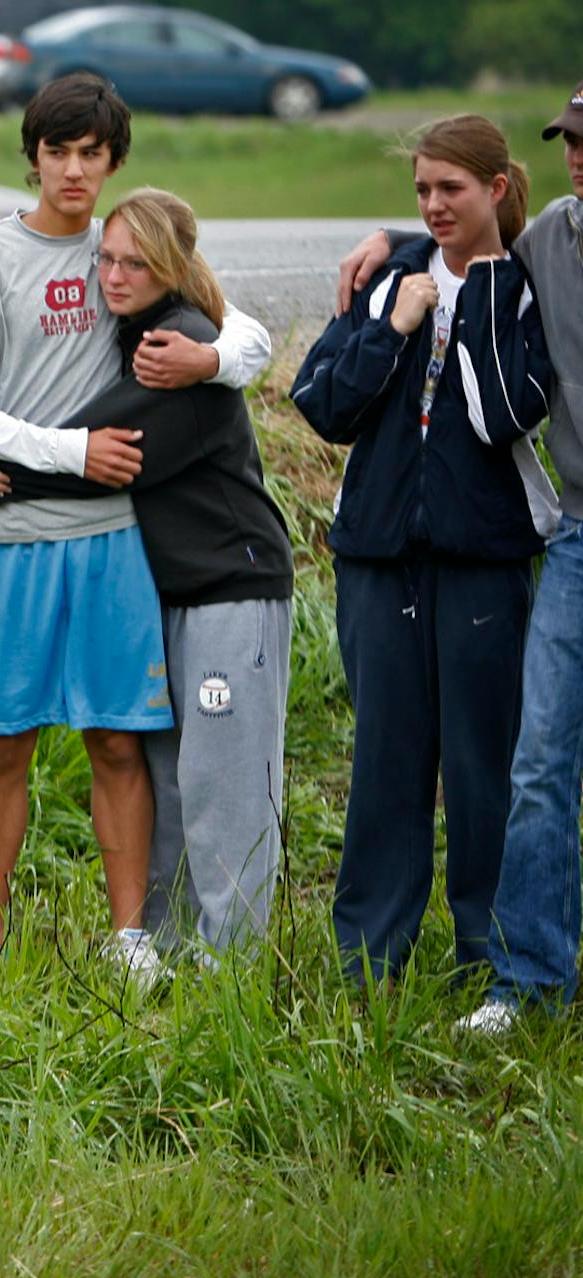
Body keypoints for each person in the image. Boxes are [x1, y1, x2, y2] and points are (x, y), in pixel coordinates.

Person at [0, 74, 271, 983]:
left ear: (114, 162)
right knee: (4, 745)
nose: (73, 169)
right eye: (57, 152)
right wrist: (55, 452)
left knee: (117, 741)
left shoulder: (128, 247)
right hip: (14, 540)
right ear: (32, 156)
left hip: (115, 541)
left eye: (91, 154)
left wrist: (216, 356)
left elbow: (244, 333)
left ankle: (131, 942)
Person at [0, 189, 295, 957]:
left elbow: (101, 456)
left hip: (230, 588)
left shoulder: (176, 343)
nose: (112, 275)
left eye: (134, 263)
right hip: (169, 590)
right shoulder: (139, 330)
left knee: (225, 784)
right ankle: (177, 950)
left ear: (170, 267)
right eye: (105, 259)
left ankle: (233, 966)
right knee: (171, 775)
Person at [334, 90, 583, 1033]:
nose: (434, 202)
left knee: (499, 765)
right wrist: (397, 250)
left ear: (493, 185)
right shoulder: (504, 250)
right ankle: (430, 965)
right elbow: (328, 399)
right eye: (420, 189)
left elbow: (499, 413)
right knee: (460, 764)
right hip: (453, 550)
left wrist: (441, 270)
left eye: (449, 187)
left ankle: (508, 964)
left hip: (495, 552)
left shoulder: (530, 263)